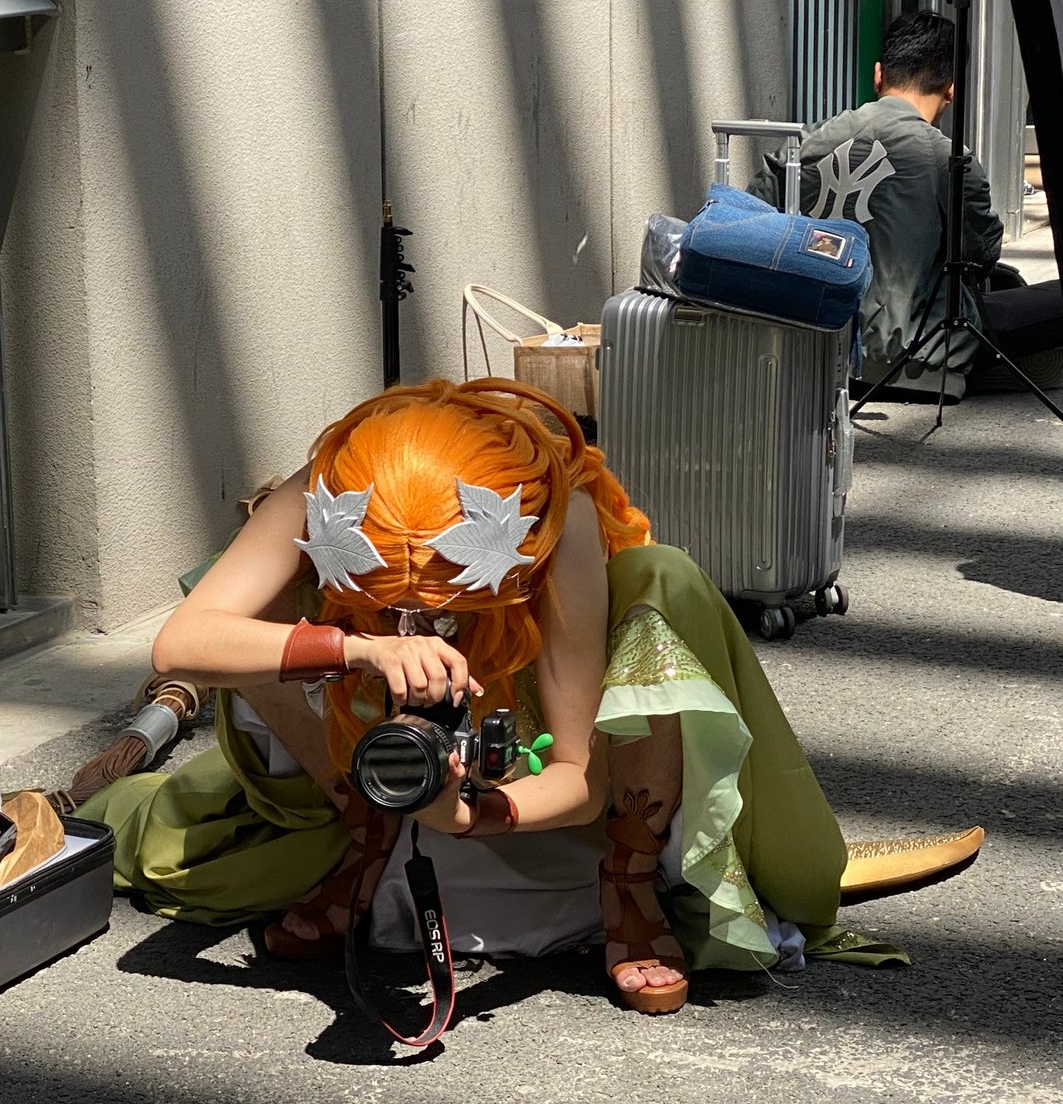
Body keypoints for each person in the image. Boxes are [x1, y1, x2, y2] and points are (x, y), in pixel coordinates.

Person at [76, 377, 920, 1019]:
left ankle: (629, 880)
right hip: (363, 734)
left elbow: (580, 772)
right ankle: (362, 832)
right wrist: (364, 647)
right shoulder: (327, 490)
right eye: (395, 602)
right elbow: (181, 645)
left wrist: (465, 815)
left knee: (660, 585)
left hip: (541, 758)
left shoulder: (560, 514)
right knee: (252, 619)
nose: (422, 624)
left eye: (448, 605)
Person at [748, 10, 1061, 401]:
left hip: (812, 354)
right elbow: (980, 255)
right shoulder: (948, 159)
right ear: (951, 90)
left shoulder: (805, 143)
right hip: (912, 363)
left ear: (878, 75)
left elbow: (752, 222)